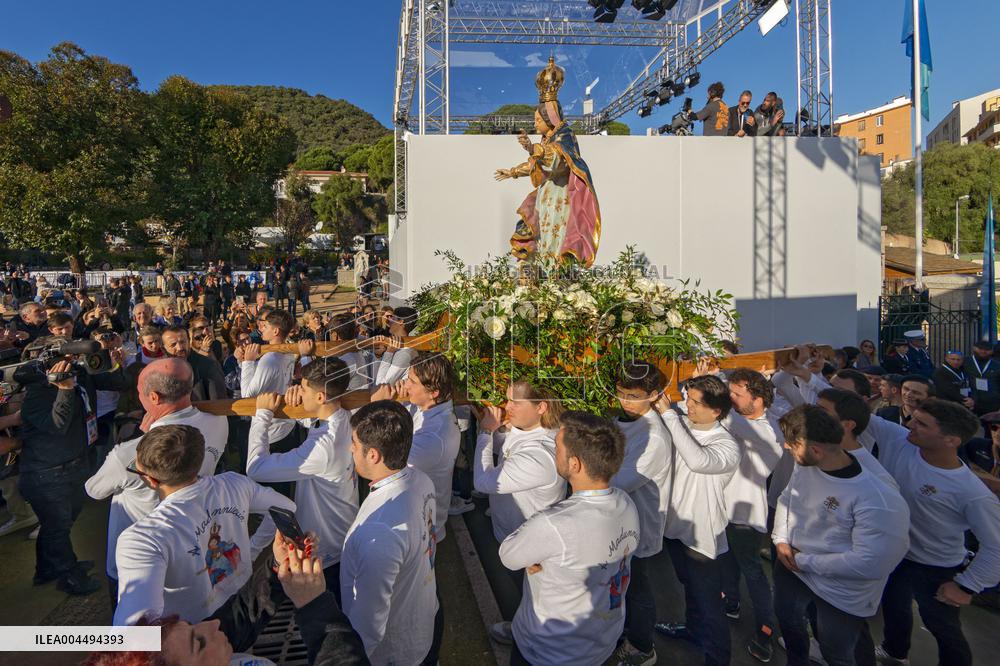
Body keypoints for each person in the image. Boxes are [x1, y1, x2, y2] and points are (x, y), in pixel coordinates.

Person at [112, 425, 294, 647]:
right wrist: (253, 548)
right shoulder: (234, 484)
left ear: (151, 480)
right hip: (243, 613)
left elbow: (134, 635)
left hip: (195, 643)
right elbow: (286, 508)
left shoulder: (142, 539)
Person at [499, 411, 640, 665]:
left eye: (557, 447)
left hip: (547, 651)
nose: (554, 453)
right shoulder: (625, 502)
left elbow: (509, 556)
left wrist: (540, 553)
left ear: (574, 464)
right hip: (600, 643)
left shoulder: (554, 523)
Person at [86, 358, 228, 610]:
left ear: (153, 397)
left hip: (138, 559)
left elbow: (95, 490)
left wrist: (140, 437)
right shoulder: (218, 422)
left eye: (139, 392)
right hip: (194, 543)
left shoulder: (131, 452)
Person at [773, 405, 910, 666]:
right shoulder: (807, 465)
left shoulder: (878, 498)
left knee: (839, 654)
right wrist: (780, 540)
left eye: (791, 443)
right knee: (791, 628)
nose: (786, 448)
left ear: (815, 449)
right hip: (791, 568)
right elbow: (787, 498)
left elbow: (871, 562)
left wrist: (803, 562)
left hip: (840, 593)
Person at [875, 399, 1000, 666]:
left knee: (942, 627)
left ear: (951, 440)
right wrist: (805, 376)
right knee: (894, 608)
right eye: (913, 419)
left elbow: (996, 545)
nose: (910, 425)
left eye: (922, 424)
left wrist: (967, 587)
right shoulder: (901, 440)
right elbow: (853, 412)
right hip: (898, 555)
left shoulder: (972, 493)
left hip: (936, 567)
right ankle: (895, 652)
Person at [16, 340, 127, 594]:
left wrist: (115, 362)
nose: (71, 362)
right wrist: (64, 389)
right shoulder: (36, 392)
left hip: (75, 465)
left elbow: (118, 383)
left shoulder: (81, 375)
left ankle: (46, 569)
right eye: (65, 358)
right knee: (57, 527)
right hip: (47, 473)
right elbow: (57, 426)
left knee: (59, 525)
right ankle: (70, 575)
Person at [246, 357, 359, 598]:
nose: (299, 390)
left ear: (320, 397)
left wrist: (262, 414)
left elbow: (255, 468)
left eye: (304, 388)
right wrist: (301, 404)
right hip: (340, 534)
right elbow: (316, 422)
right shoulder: (343, 417)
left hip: (326, 551)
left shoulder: (322, 448)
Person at [341, 400, 440, 664]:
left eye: (354, 443)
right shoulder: (422, 480)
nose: (350, 448)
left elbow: (368, 626)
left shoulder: (380, 532)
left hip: (391, 654)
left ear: (373, 455)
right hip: (423, 626)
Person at [652, 374, 740, 666]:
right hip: (674, 527)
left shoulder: (726, 444)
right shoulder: (683, 425)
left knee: (710, 604)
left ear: (716, 410)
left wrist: (669, 415)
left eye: (695, 402)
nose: (687, 406)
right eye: (687, 398)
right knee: (688, 587)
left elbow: (698, 460)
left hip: (702, 538)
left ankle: (717, 658)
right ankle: (691, 631)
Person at [473, 381, 567, 645]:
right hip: (514, 534)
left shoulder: (540, 454)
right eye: (507, 399)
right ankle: (523, 627)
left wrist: (484, 433)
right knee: (526, 595)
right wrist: (498, 431)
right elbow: (505, 446)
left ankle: (531, 641)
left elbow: (483, 482)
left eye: (515, 402)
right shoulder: (525, 429)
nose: (507, 407)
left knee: (537, 598)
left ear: (541, 407)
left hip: (531, 546)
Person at [607, 362, 672, 666]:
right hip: (616, 521)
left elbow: (622, 481)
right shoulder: (621, 420)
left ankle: (643, 646)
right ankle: (624, 634)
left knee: (638, 588)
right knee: (622, 585)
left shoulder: (655, 437)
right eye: (621, 393)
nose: (625, 401)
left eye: (633, 395)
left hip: (639, 523)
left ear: (655, 394)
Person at [718, 368, 785, 663]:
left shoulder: (768, 430)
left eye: (737, 394)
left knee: (753, 572)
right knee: (727, 562)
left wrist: (716, 394)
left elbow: (729, 420)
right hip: (724, 509)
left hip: (745, 515)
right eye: (730, 393)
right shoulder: (745, 420)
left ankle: (765, 629)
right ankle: (730, 602)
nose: (731, 399)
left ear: (757, 398)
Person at [375, 351, 461, 545]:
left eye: (411, 382)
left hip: (421, 532)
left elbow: (383, 455)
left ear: (434, 392)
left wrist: (380, 406)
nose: (405, 385)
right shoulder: (430, 408)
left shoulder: (435, 437)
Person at [237, 310, 299, 468]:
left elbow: (247, 395)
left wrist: (248, 362)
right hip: (287, 424)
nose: (262, 329)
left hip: (270, 432)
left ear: (276, 331)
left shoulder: (269, 360)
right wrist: (242, 361)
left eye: (265, 326)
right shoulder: (289, 352)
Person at [161, 325, 227, 402]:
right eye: (173, 345)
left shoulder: (208, 366)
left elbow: (219, 403)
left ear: (189, 341)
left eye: (183, 342)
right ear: (163, 348)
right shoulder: (160, 370)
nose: (180, 348)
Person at [964, 340, 1000, 414]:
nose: (983, 351)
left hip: (992, 404)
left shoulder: (997, 365)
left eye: (987, 350)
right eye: (980, 349)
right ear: (974, 348)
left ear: (992, 351)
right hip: (971, 402)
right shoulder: (965, 362)